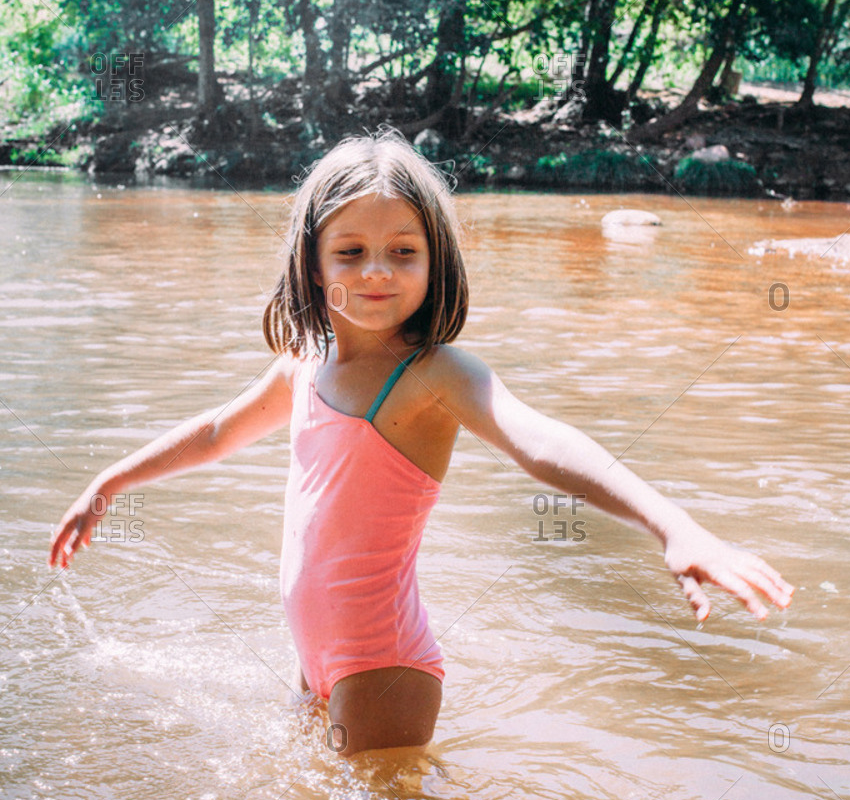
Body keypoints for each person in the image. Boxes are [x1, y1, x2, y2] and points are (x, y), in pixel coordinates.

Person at [49, 128, 793, 756]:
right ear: (312, 262)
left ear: (436, 261)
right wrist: (108, 483)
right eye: (351, 252)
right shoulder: (304, 366)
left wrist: (674, 524)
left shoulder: (434, 374)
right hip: (315, 654)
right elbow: (214, 433)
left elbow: (543, 441)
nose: (377, 271)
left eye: (403, 252)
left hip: (384, 662)